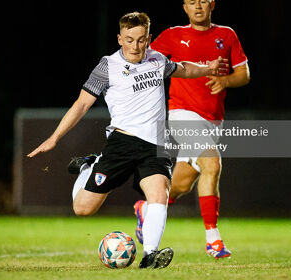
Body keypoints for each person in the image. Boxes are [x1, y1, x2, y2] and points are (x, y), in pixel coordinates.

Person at [27, 11, 227, 268]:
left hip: (155, 146)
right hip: (122, 144)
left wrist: (208, 68)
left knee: (159, 193)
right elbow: (81, 104)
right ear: (120, 39)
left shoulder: (157, 60)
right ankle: (90, 165)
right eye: (130, 39)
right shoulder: (107, 66)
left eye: (142, 40)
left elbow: (184, 69)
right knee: (83, 209)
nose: (136, 46)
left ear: (149, 38)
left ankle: (150, 256)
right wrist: (54, 137)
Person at [134, 0, 250, 259]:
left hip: (213, 120)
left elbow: (244, 74)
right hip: (182, 113)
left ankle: (145, 208)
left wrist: (226, 79)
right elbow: (141, 59)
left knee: (180, 185)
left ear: (211, 4)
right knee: (212, 164)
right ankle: (213, 240)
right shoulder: (173, 35)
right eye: (191, 1)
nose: (197, 6)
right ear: (184, 7)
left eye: (201, 1)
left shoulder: (226, 35)